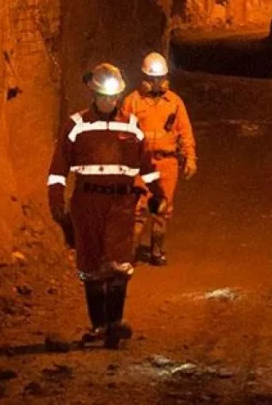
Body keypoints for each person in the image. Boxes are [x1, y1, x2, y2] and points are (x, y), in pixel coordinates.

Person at [47, 62, 168, 348]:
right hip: (87, 202)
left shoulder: (130, 125)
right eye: (104, 96)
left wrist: (157, 195)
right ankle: (98, 326)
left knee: (119, 262)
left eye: (114, 96)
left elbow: (147, 164)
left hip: (121, 202)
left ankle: (114, 324)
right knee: (91, 262)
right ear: (94, 93)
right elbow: (58, 168)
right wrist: (56, 200)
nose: (109, 101)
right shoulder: (76, 125)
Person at [119, 52, 197, 266]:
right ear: (144, 77)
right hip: (141, 164)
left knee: (162, 209)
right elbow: (123, 134)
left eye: (159, 78)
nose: (155, 83)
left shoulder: (174, 103)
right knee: (137, 209)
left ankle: (157, 251)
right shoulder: (132, 102)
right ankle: (130, 252)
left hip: (167, 163)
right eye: (152, 78)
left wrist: (190, 158)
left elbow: (185, 132)